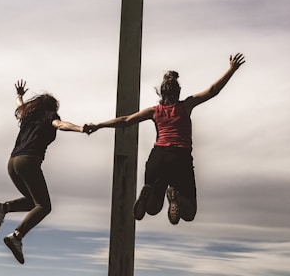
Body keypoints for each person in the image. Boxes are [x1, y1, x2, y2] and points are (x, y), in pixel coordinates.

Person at [85, 53, 245, 225]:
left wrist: (99, 125)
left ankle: (147, 192)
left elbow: (126, 121)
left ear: (161, 92)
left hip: (157, 158)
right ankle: (175, 196)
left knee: (152, 209)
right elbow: (213, 90)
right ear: (178, 91)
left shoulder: (154, 111)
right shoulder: (186, 106)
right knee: (189, 212)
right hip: (180, 158)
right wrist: (231, 69)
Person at [0, 80, 85, 264]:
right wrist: (80, 128)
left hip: (12, 163)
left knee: (33, 203)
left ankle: (4, 208)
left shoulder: (27, 115)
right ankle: (16, 236)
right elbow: (60, 124)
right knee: (44, 206)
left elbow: (20, 106)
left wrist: (19, 95)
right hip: (28, 161)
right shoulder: (49, 115)